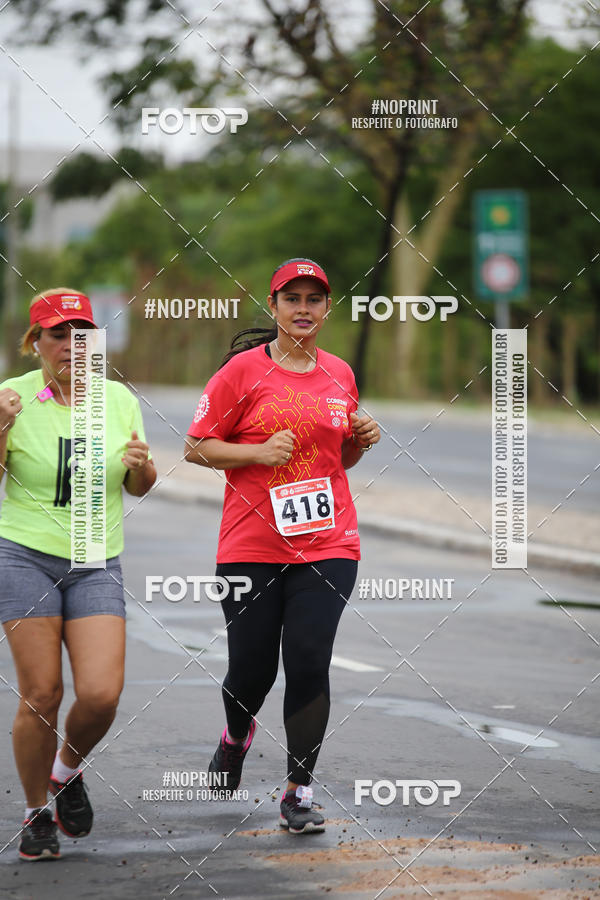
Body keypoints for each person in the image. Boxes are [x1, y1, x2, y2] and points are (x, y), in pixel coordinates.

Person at [184, 258, 380, 833]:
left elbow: (336, 459)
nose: (302, 308)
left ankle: (298, 791)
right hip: (250, 543)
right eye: (291, 298)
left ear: (326, 309)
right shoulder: (242, 373)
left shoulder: (341, 374)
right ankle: (235, 736)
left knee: (309, 662)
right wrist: (256, 453)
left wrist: (361, 442)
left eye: (313, 299)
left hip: (328, 541)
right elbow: (196, 446)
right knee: (251, 670)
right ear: (273, 308)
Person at [0, 288, 156, 860]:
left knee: (101, 694)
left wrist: (144, 468)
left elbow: (138, 484)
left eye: (81, 334)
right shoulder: (12, 397)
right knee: (42, 692)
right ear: (35, 342)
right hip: (24, 554)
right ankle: (35, 810)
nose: (71, 345)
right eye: (58, 334)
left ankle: (66, 771)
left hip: (96, 556)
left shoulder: (117, 399)